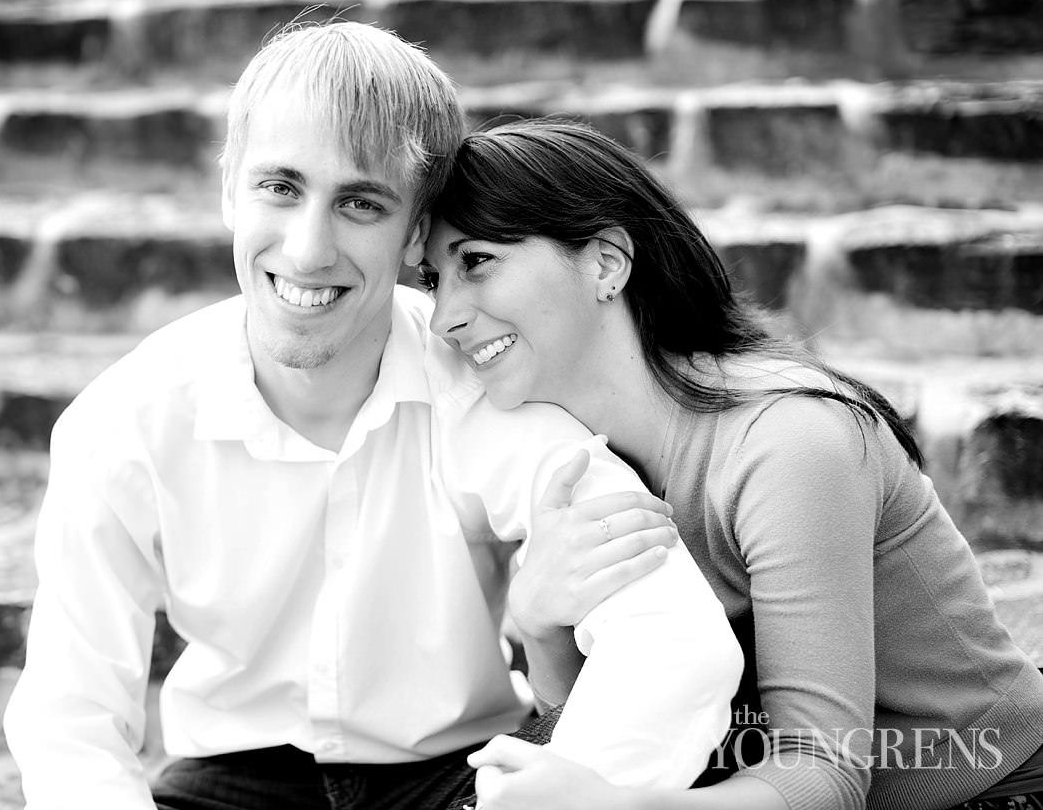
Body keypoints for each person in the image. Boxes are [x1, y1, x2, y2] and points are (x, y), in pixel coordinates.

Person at [2, 24, 744, 810]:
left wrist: (580, 792)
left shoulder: (485, 392)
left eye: (361, 202)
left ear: (417, 231)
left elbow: (672, 637)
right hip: (235, 781)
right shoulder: (126, 421)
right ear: (228, 188)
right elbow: (70, 714)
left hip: (456, 775)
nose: (309, 248)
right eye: (279, 187)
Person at [420, 117, 1043, 810]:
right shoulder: (568, 456)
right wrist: (540, 624)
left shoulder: (789, 444)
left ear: (605, 262)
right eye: (432, 277)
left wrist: (617, 807)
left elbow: (825, 777)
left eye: (476, 261)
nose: (444, 315)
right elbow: (619, 727)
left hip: (987, 789)